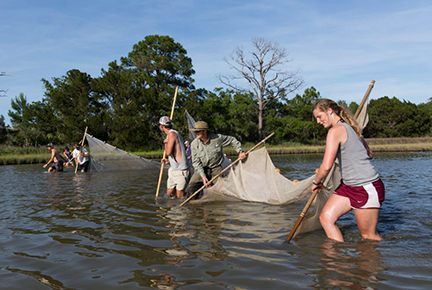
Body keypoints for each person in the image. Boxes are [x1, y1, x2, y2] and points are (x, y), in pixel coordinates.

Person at [311, 99, 385, 242]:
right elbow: (369, 153)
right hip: (348, 185)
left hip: (365, 186)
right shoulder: (352, 128)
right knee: (326, 218)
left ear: (330, 111)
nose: (319, 121)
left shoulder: (335, 131)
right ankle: (337, 261)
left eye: (319, 116)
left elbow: (326, 166)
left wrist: (317, 182)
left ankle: (379, 261)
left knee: (369, 237)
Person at [187, 121, 246, 199]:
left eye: (198, 131)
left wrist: (240, 151)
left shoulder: (218, 138)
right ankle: (191, 206)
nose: (195, 133)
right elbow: (196, 162)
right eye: (195, 131)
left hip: (216, 168)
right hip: (201, 169)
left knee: (218, 191)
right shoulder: (194, 144)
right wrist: (203, 176)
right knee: (191, 186)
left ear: (205, 131)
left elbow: (232, 140)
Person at [159, 116, 190, 199]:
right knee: (169, 194)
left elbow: (168, 152)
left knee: (180, 195)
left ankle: (182, 211)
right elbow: (176, 152)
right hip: (173, 169)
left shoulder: (172, 134)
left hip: (181, 171)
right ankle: (172, 211)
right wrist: (168, 160)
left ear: (161, 126)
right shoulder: (171, 134)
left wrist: (165, 142)